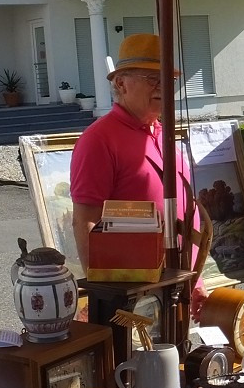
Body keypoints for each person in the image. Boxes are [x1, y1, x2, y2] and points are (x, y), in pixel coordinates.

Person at [70, 33, 206, 310]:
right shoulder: (99, 139)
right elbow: (85, 222)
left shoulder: (161, 133)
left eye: (169, 80)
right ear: (121, 83)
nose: (162, 87)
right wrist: (106, 298)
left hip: (180, 284)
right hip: (136, 294)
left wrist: (197, 281)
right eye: (152, 78)